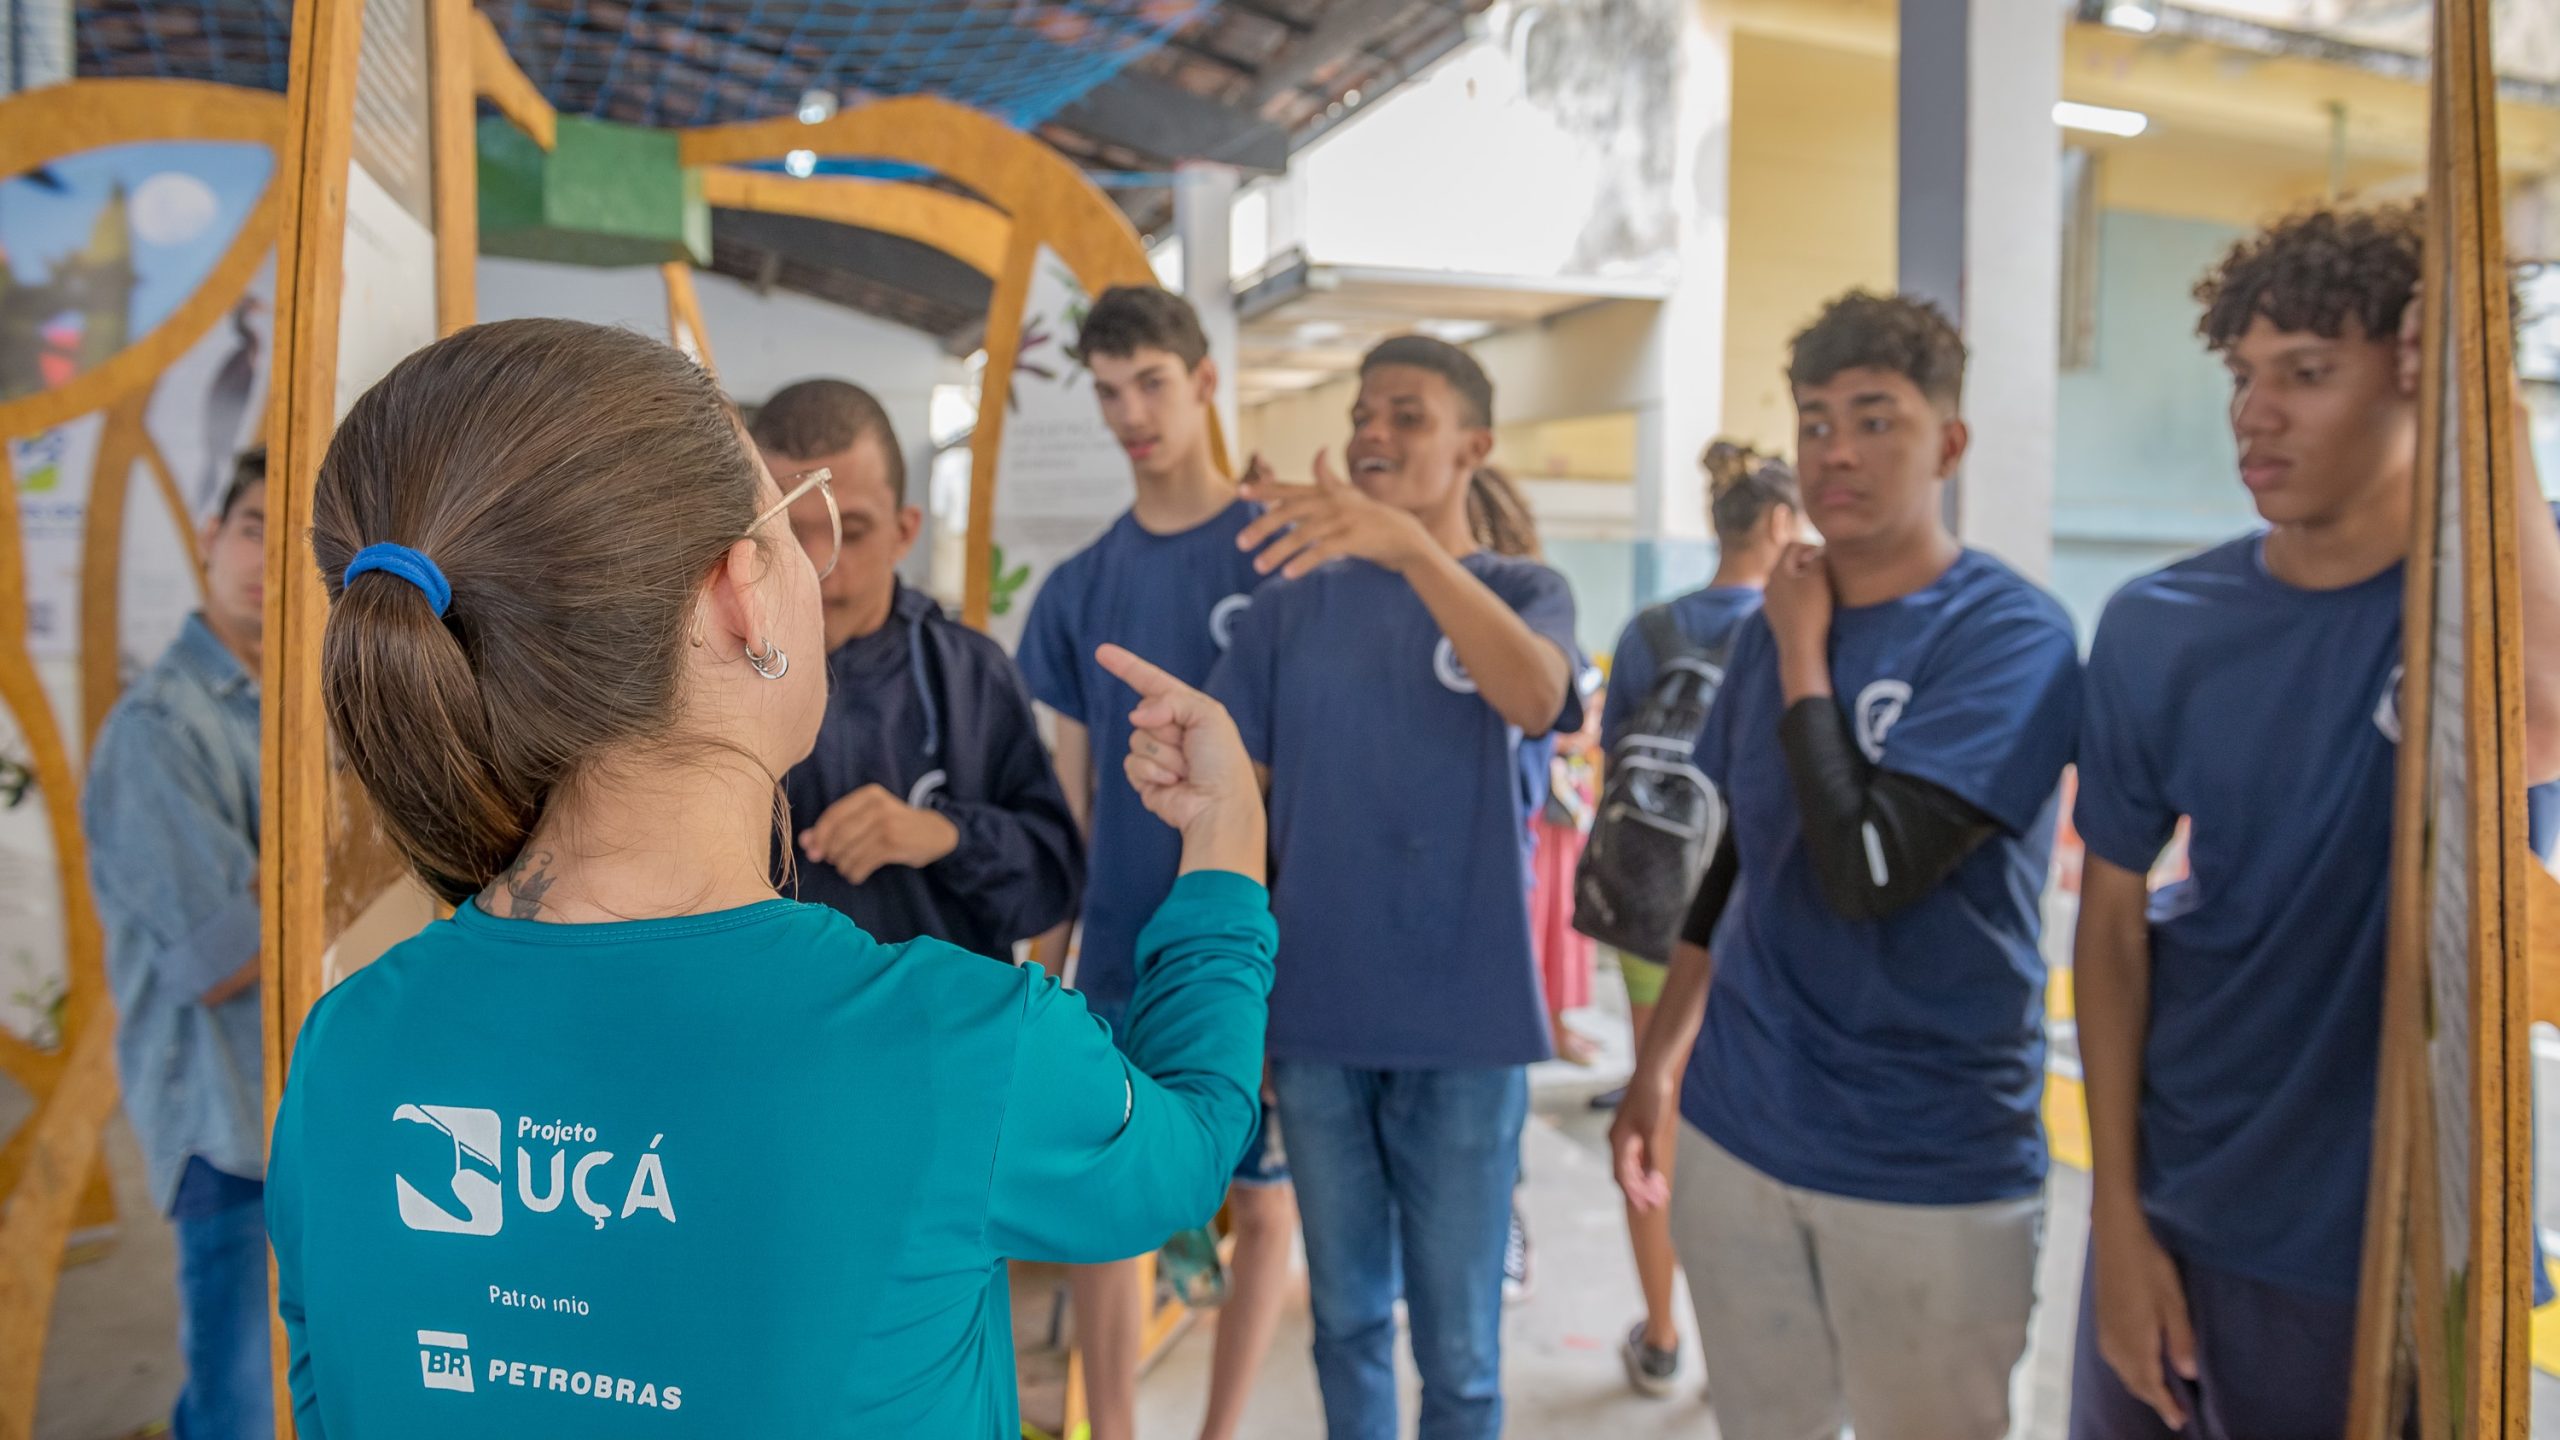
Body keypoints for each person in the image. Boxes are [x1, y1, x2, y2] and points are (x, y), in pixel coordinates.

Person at [264, 318, 1276, 1438]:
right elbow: (1187, 1150)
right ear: (739, 594)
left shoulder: (344, 1050)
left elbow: (330, 1397)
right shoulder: (960, 1048)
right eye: (794, 527)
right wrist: (1227, 840)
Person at [2069, 205, 2560, 1440]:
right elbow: (2113, 930)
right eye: (2244, 374)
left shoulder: (2474, 623)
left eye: (2306, 373)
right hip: (2182, 1202)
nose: (2255, 412)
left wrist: (2491, 410)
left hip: (2398, 1237)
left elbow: (2547, 716)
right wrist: (2117, 1228)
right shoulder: (2158, 623)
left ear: (2414, 389)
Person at [1612, 292, 2082, 1440]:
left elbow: (1864, 866)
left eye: (1876, 420)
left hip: (1927, 1162)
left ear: (1949, 444)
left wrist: (1804, 651)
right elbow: (1737, 859)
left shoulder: (2008, 635)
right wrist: (1658, 1064)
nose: (1836, 451)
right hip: (1742, 1129)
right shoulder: (1756, 630)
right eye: (1815, 422)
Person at [1210, 334, 1583, 1440]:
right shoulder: (1288, 612)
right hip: (1320, 1022)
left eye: (1405, 416)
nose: (1373, 433)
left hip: (1465, 1032)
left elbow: (1536, 698)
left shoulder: (1522, 590)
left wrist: (1418, 554)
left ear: (1473, 445)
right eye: (1364, 413)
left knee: (1460, 1351)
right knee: (1346, 1324)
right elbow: (1242, 807)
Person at [1014, 284, 1296, 1440]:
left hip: (1258, 956)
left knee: (1265, 1199)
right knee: (1107, 1212)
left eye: (1154, 383)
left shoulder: (1280, 562)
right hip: (1121, 952)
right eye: (1109, 391)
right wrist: (1051, 968)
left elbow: (1314, 789)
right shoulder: (1078, 589)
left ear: (1204, 381)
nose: (1133, 411)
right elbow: (1072, 802)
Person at [1596, 439, 1801, 1399]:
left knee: (1657, 1103)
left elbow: (1613, 774)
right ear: (1776, 525)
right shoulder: (1795, 625)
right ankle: (1745, 1345)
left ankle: (1664, 1332)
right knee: (1759, 1115)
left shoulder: (1648, 629)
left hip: (1655, 907)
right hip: (1765, 912)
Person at [751, 378, 1080, 954]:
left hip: (945, 1029)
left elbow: (1051, 882)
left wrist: (947, 835)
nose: (817, 565)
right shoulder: (712, 677)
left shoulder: (971, 675)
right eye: (783, 533)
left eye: (847, 533)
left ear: (905, 531)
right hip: (772, 1029)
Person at [82, 448, 272, 1440]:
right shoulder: (157, 730)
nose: (266, 563)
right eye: (252, 528)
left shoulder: (296, 711)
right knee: (240, 1408)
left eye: (294, 545)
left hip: (295, 1111)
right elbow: (219, 961)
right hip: (225, 1128)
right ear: (210, 536)